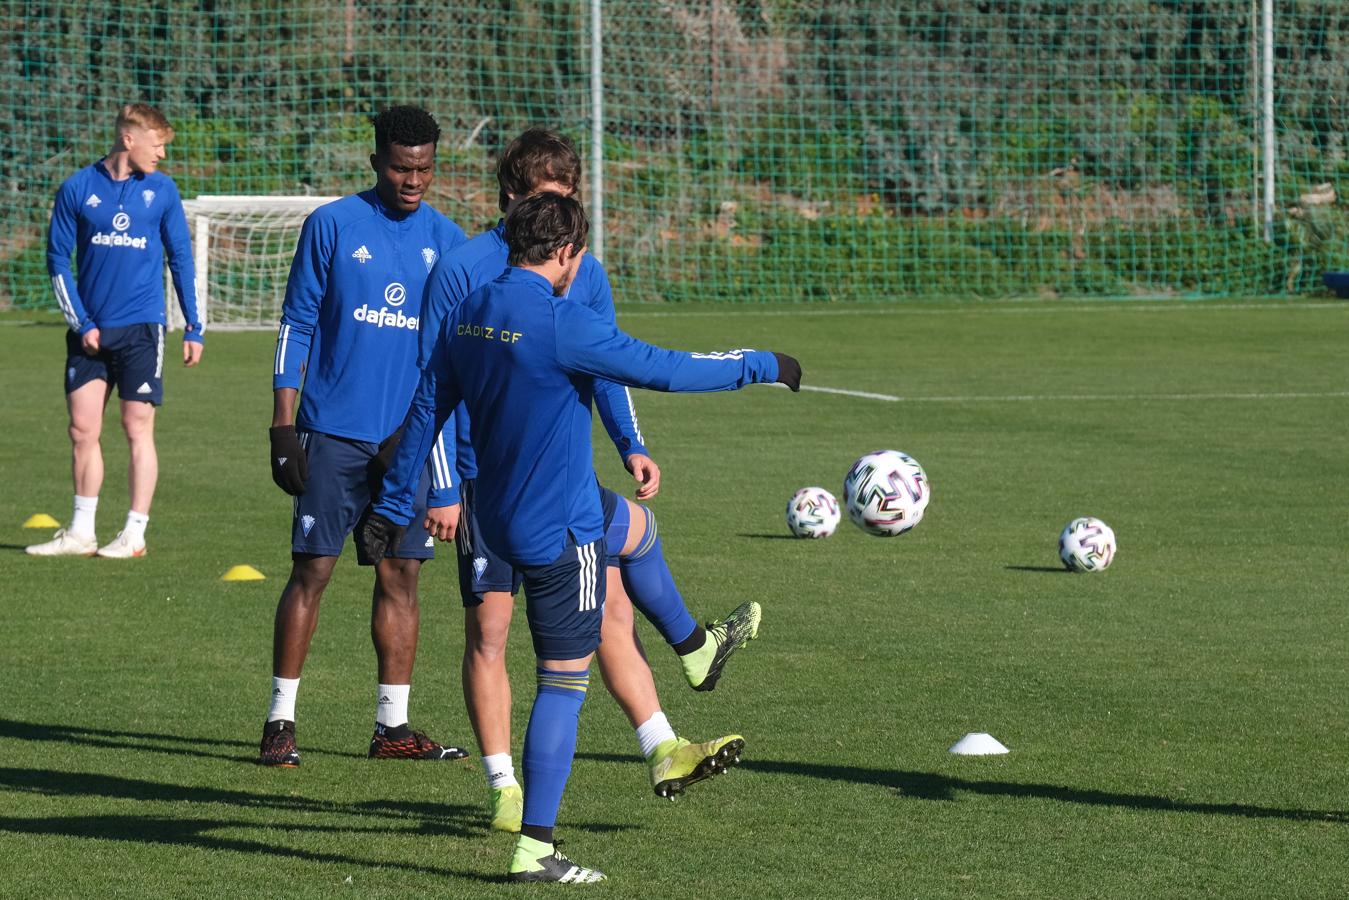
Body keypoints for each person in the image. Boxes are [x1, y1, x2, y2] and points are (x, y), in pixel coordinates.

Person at [360, 192, 802, 883]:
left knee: (639, 527)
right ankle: (536, 848)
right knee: (562, 684)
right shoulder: (562, 323)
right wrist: (762, 364)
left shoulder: (467, 312)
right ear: (565, 253)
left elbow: (426, 409)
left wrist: (390, 507)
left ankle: (695, 647)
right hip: (560, 531)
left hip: (496, 513)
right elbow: (668, 369)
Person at [411, 129, 762, 834]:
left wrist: (631, 442)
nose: (558, 220)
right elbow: (431, 387)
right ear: (513, 198)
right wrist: (443, 486)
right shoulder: (459, 269)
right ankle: (508, 789)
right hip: (482, 487)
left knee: (611, 610)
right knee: (492, 634)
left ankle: (660, 742)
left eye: (566, 203)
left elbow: (606, 361)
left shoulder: (583, 268)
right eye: (546, 202)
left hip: (552, 484)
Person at [259, 106, 469, 768]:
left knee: (402, 575)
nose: (414, 180)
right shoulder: (332, 225)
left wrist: (434, 457)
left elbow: (453, 361)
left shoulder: (451, 241)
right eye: (402, 167)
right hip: (331, 434)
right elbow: (295, 322)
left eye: (425, 168)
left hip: (405, 444)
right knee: (312, 569)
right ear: (376, 161)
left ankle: (392, 727)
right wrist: (282, 423)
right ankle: (280, 720)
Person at [29, 103, 204, 559]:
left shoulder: (163, 192)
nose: (163, 153)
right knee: (82, 428)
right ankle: (81, 531)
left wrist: (194, 325)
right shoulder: (77, 188)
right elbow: (57, 262)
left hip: (143, 329)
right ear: (129, 139)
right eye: (158, 144)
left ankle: (134, 533)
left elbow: (180, 260)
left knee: (136, 426)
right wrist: (81, 322)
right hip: (89, 332)